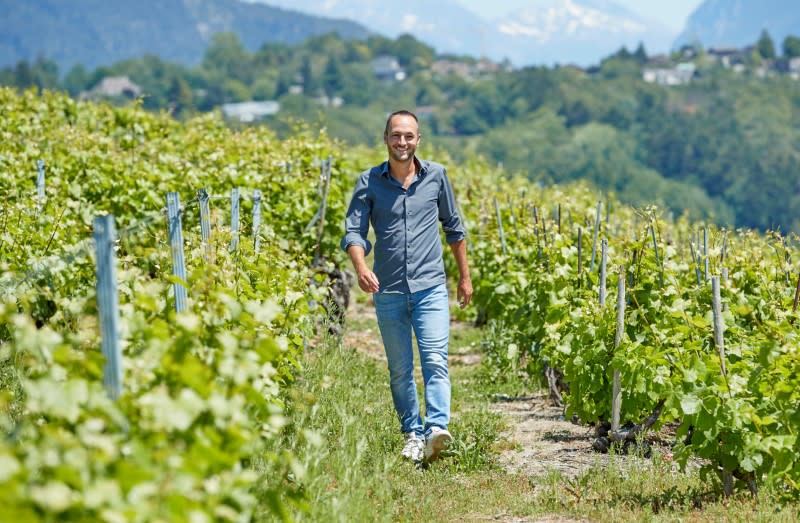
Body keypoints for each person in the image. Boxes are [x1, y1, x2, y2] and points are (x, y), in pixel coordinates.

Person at [340, 109, 472, 464]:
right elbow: (354, 232)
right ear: (386, 139)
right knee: (400, 368)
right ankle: (412, 433)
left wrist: (464, 277)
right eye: (396, 135)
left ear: (418, 140)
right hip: (389, 290)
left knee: (435, 360)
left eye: (409, 136)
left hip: (430, 287)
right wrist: (360, 266)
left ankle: (437, 429)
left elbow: (454, 229)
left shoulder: (437, 177)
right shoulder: (368, 181)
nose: (402, 142)